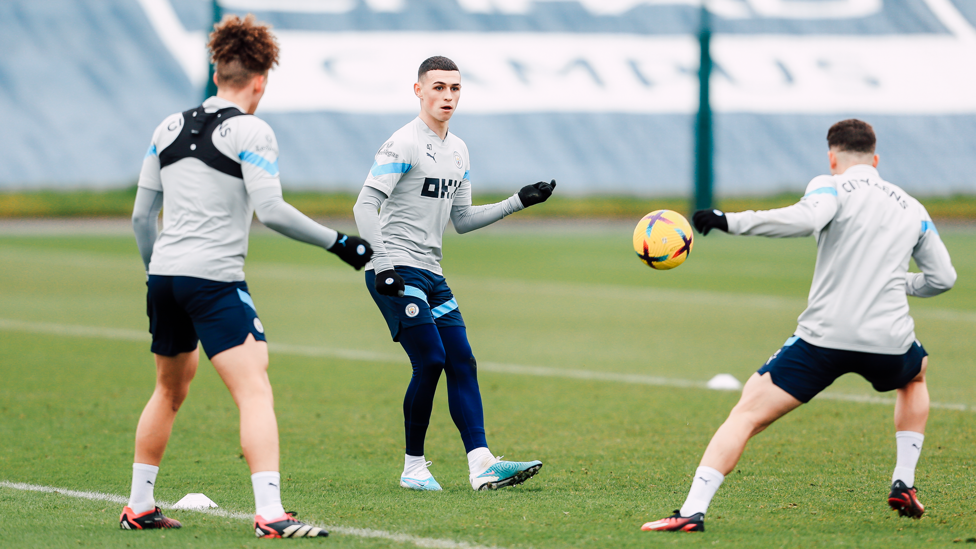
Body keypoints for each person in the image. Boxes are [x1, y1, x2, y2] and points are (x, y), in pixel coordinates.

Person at [122, 14, 371, 538]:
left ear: (217, 72)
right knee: (254, 389)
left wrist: (157, 274)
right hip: (213, 279)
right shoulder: (253, 129)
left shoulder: (167, 127)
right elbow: (273, 211)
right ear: (260, 80)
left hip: (164, 275)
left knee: (168, 390)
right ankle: (271, 516)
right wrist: (341, 243)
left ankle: (139, 505)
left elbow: (142, 218)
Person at [642, 119, 956, 533]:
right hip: (889, 340)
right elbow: (943, 278)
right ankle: (904, 481)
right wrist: (900, 284)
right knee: (915, 375)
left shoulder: (829, 185)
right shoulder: (912, 207)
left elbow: (805, 220)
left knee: (747, 412)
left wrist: (728, 221)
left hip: (824, 338)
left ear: (832, 156)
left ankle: (692, 510)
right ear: (875, 159)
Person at [353, 56, 555, 491]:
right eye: (439, 87)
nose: (448, 96)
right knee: (430, 360)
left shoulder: (459, 149)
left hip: (430, 272)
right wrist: (383, 264)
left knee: (462, 360)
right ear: (418, 90)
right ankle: (413, 468)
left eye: (455, 89)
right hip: (395, 268)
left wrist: (518, 201)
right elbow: (364, 206)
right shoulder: (402, 143)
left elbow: (461, 219)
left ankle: (481, 465)